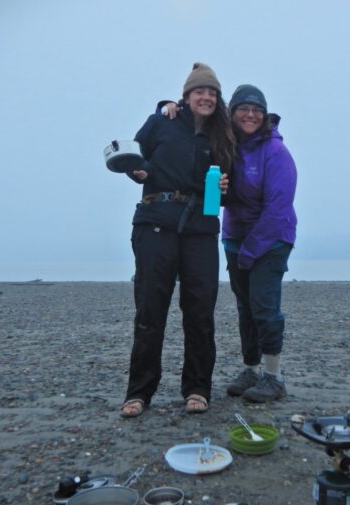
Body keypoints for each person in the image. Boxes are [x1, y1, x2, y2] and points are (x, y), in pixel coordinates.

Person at [167, 85, 298, 401]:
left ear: (265, 116)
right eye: (244, 108)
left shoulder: (275, 152)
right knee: (245, 308)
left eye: (257, 110)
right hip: (236, 239)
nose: (251, 115)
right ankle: (251, 369)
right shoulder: (226, 146)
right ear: (232, 112)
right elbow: (198, 110)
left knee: (265, 307)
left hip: (271, 239)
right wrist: (171, 106)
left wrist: (252, 250)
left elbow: (278, 207)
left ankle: (274, 377)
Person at [120, 63, 235, 417]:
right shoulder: (162, 122)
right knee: (150, 310)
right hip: (155, 223)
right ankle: (139, 392)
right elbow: (133, 157)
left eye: (212, 92)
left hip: (200, 229)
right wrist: (136, 170)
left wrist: (225, 190)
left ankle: (197, 388)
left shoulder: (222, 136)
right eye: (199, 91)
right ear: (186, 97)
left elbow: (225, 194)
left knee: (200, 312)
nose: (206, 97)